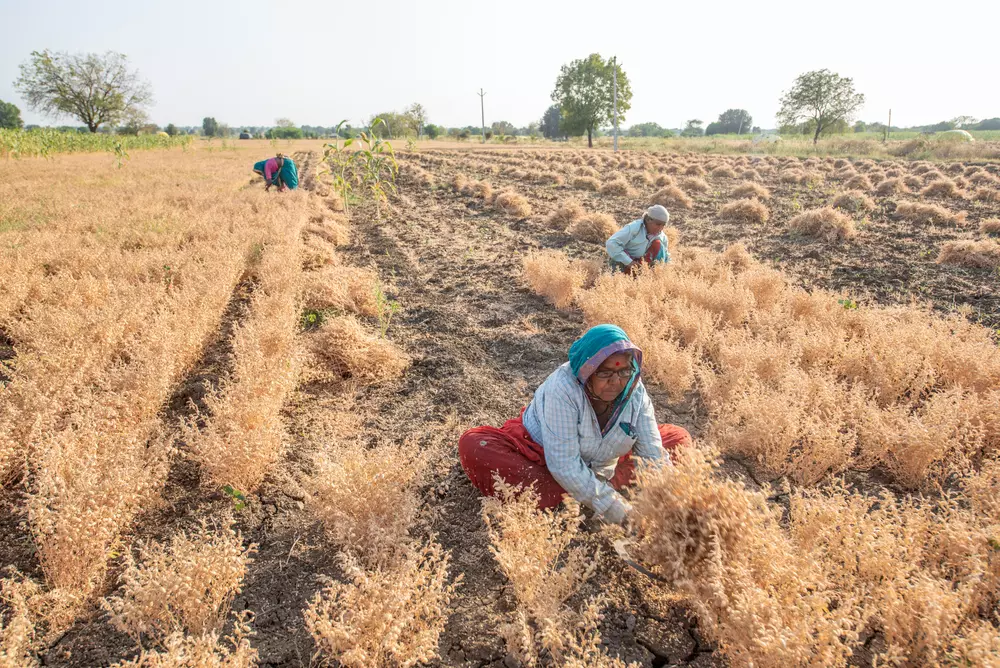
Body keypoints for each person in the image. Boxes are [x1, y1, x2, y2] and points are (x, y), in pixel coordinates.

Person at [458, 325, 691, 524]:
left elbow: (652, 453)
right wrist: (622, 513)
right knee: (475, 446)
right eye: (605, 373)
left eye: (624, 371)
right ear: (587, 371)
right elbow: (564, 465)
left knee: (678, 440)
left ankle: (579, 491)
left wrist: (672, 507)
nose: (616, 381)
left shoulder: (634, 391)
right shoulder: (563, 389)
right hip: (545, 458)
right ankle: (586, 490)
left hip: (603, 463)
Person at [606, 204, 671, 275]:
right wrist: (629, 262)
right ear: (648, 220)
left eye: (663, 225)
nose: (660, 228)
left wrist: (669, 270)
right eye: (658, 224)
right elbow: (611, 243)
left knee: (658, 245)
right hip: (625, 262)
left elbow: (666, 256)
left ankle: (654, 275)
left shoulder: (661, 236)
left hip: (641, 264)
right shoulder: (634, 228)